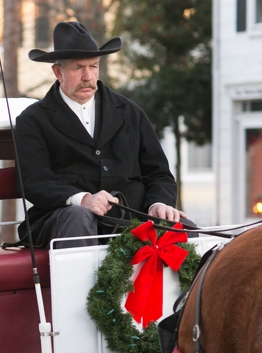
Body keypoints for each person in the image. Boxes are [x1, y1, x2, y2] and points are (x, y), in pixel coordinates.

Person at [15, 22, 188, 248]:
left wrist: (159, 202)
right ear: (58, 72)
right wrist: (83, 199)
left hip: (131, 218)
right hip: (62, 219)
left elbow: (159, 174)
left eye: (94, 66)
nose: (88, 76)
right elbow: (34, 179)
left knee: (184, 230)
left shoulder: (130, 112)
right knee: (79, 216)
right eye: (78, 68)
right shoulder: (33, 120)